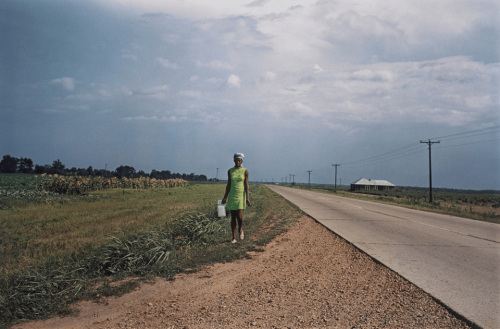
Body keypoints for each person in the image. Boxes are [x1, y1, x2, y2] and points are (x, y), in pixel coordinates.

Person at [221, 153, 251, 243]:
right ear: (234, 161)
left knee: (240, 217)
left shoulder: (245, 171)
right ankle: (234, 238)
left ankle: (240, 229)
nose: (238, 162)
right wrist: (225, 197)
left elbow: (246, 185)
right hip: (232, 196)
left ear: (241, 161)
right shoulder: (230, 171)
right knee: (233, 218)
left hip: (241, 196)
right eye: (236, 160)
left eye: (239, 160)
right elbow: (228, 185)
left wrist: (247, 198)